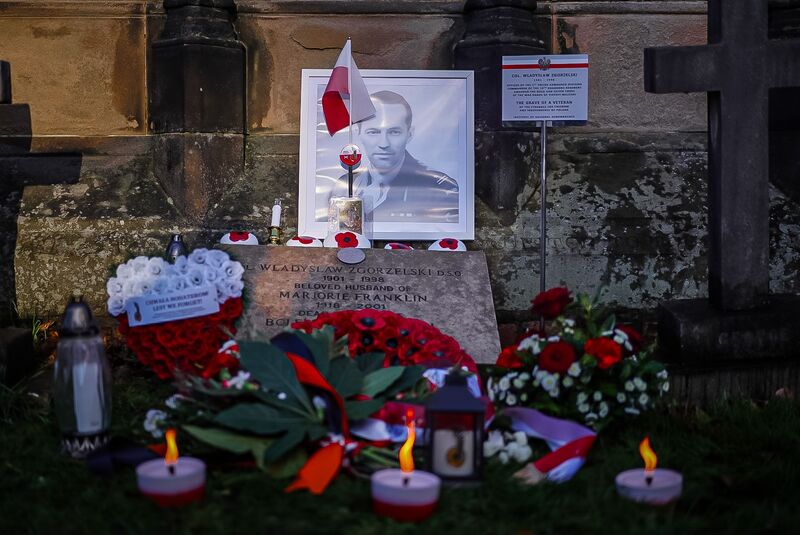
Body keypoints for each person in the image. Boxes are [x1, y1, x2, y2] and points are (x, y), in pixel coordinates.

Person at [326, 90, 459, 224]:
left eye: (394, 132)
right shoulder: (343, 186)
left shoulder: (440, 190)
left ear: (409, 134)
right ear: (358, 133)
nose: (384, 144)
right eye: (373, 132)